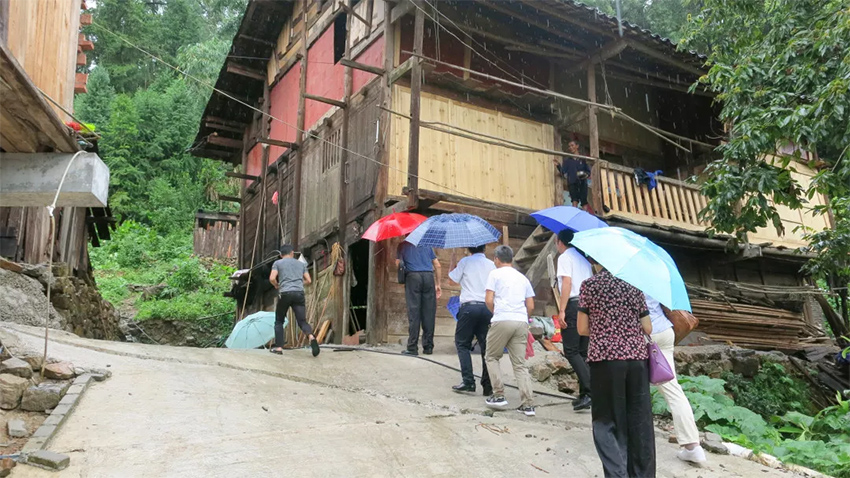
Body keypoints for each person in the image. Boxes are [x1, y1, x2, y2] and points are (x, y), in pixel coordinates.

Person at [578, 258, 655, 478]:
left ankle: (617, 474)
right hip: (637, 360)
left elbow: (582, 329)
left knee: (607, 421)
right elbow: (647, 327)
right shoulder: (634, 285)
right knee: (639, 420)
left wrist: (605, 329)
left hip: (605, 359)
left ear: (597, 261)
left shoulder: (590, 285)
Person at [646, 295, 707, 464]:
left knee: (634, 387)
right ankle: (693, 446)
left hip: (644, 333)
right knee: (673, 391)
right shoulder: (658, 278)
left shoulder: (628, 280)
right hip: (664, 331)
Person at [483, 245, 536, 416]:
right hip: (521, 321)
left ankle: (498, 395)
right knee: (519, 364)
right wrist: (523, 318)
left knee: (491, 357)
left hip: (502, 318)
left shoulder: (494, 274)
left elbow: (488, 300)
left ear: (496, 259)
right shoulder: (522, 278)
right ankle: (528, 404)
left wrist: (497, 313)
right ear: (511, 259)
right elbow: (530, 305)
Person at [448, 245, 495, 395]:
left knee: (462, 343)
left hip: (469, 308)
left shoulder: (465, 262)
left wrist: (452, 261)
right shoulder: (492, 265)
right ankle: (488, 386)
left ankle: (468, 381)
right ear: (484, 248)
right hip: (487, 308)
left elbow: (451, 281)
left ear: (469, 249)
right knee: (486, 347)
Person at [555, 229, 593, 411]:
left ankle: (591, 391)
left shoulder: (565, 257)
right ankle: (585, 394)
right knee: (583, 352)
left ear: (559, 242)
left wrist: (562, 310)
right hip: (588, 305)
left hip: (574, 304)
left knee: (570, 350)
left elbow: (567, 283)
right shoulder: (584, 259)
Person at [269, 245, 319, 357]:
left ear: (281, 255)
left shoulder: (277, 263)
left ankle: (279, 347)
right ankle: (311, 337)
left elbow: (272, 278)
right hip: (299, 294)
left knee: (279, 321)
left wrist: (276, 285)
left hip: (285, 293)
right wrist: (298, 284)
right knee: (302, 321)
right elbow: (309, 280)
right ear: (292, 253)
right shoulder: (301, 264)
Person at [396, 240, 442, 356]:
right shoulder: (427, 244)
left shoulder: (402, 245)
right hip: (428, 277)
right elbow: (437, 265)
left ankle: (412, 347)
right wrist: (438, 284)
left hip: (413, 277)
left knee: (414, 312)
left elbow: (398, 264)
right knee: (429, 312)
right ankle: (428, 347)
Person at [553, 140, 591, 209]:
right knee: (574, 200)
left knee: (584, 201)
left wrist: (584, 175)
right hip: (572, 182)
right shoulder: (567, 161)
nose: (570, 147)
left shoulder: (583, 159)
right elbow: (563, 172)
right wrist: (558, 165)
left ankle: (585, 214)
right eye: (569, 146)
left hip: (582, 182)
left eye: (572, 145)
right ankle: (574, 213)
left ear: (577, 146)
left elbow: (588, 172)